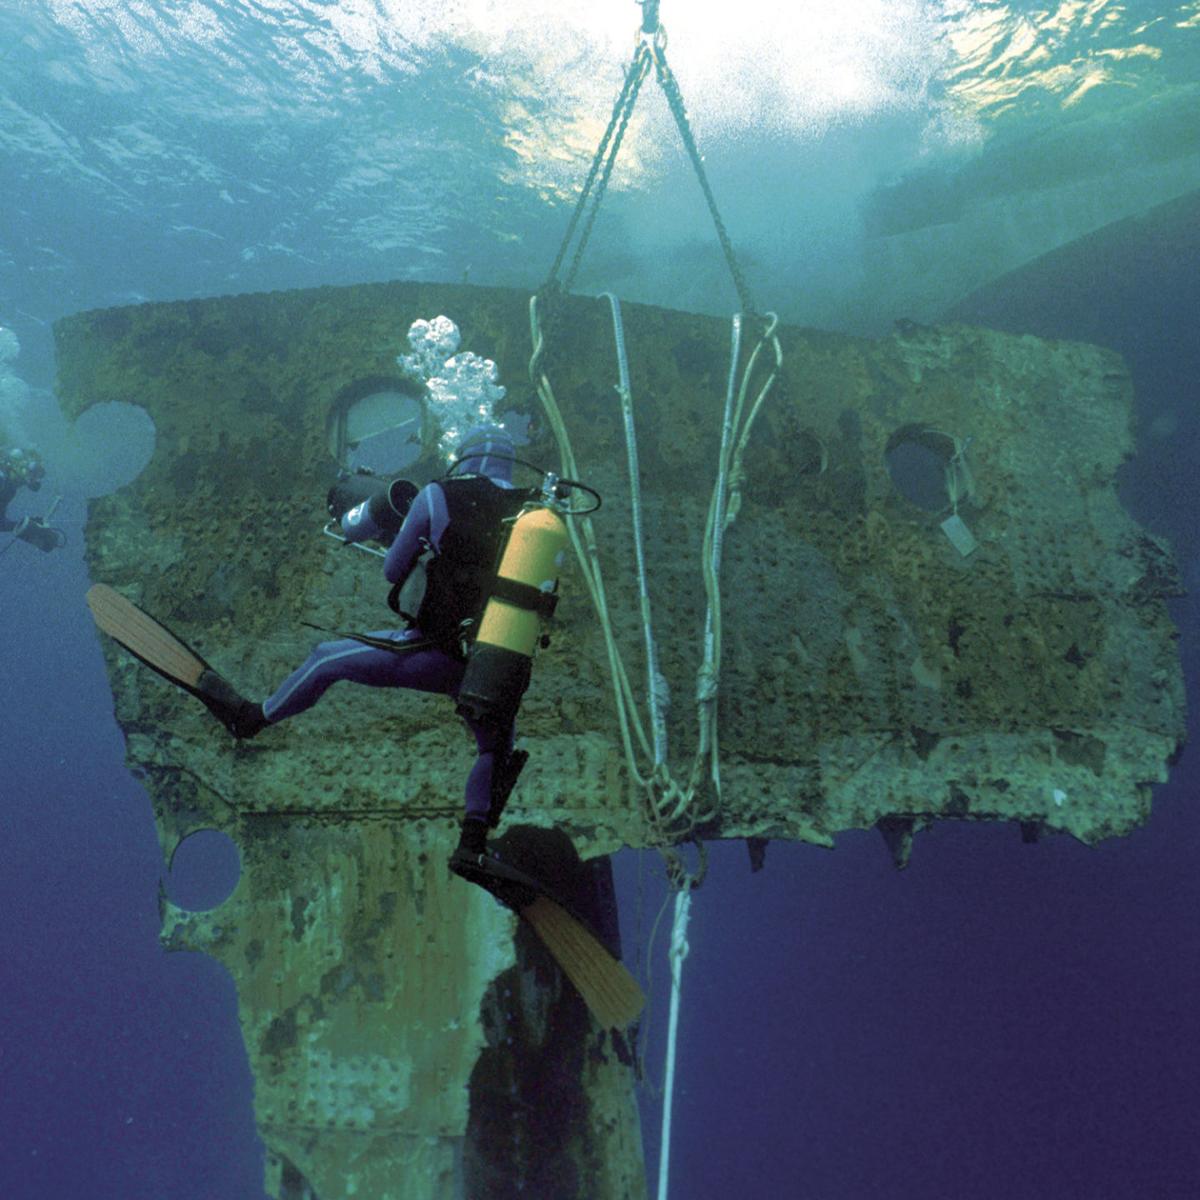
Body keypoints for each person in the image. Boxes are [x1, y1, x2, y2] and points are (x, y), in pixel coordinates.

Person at [198, 425, 534, 870]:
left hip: (436, 651)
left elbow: (392, 571)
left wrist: (411, 540)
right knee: (492, 749)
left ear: (462, 457)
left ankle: (253, 718)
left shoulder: (438, 494)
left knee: (326, 659)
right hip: (500, 665)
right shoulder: (536, 513)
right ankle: (471, 845)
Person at [0, 445, 65, 553]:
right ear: (17, 462)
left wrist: (28, 526)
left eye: (36, 476)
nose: (32, 479)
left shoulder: (9, 489)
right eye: (33, 471)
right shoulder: (2, 480)